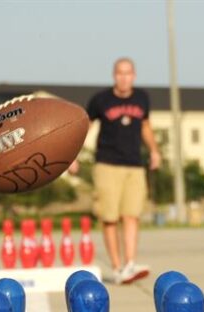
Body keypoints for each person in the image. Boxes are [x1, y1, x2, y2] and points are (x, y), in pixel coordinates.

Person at [70, 57, 161, 284]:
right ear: (114, 75)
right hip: (107, 165)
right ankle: (117, 267)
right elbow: (85, 128)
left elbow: (146, 127)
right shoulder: (101, 100)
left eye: (128, 73)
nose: (124, 77)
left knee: (131, 215)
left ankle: (130, 264)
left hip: (134, 165)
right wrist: (73, 155)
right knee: (109, 217)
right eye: (120, 73)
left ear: (134, 75)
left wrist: (154, 150)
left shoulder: (142, 98)